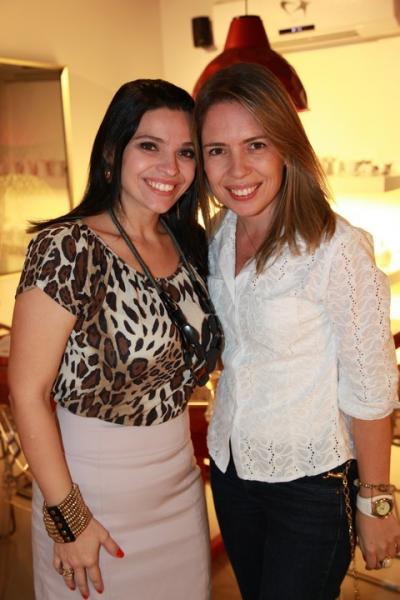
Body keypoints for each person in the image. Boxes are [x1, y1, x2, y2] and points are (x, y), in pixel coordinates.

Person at [8, 78, 223, 600]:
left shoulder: (189, 242)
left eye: (185, 152)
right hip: (91, 496)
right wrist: (69, 518)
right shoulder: (68, 247)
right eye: (150, 146)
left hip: (179, 490)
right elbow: (27, 392)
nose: (170, 168)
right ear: (111, 152)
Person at [193, 62, 400, 600]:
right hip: (232, 473)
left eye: (256, 144)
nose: (237, 169)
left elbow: (371, 388)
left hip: (311, 486)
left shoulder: (336, 248)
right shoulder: (217, 236)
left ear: (286, 147)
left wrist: (376, 501)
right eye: (217, 150)